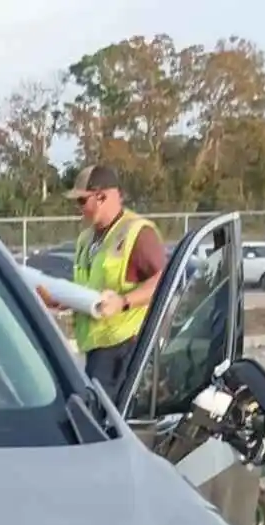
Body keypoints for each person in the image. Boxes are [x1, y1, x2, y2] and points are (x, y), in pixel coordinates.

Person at [65, 163, 168, 396]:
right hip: (96, 349)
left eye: (82, 201)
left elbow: (164, 282)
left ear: (101, 197)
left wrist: (123, 302)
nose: (79, 208)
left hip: (124, 351)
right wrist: (63, 298)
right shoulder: (86, 238)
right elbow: (90, 284)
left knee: (109, 423)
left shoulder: (137, 232)